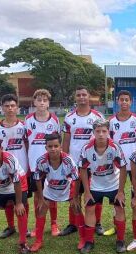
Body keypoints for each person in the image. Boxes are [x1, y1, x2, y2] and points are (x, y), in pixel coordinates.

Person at [78, 119, 127, 254]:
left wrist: (121, 191)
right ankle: (89, 241)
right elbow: (82, 169)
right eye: (98, 131)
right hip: (95, 185)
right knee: (89, 209)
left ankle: (120, 240)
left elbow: (123, 168)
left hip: (114, 184)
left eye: (104, 131)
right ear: (93, 132)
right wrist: (87, 192)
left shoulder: (115, 147)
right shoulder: (86, 148)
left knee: (119, 208)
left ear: (108, 132)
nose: (100, 134)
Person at [61, 86, 105, 237]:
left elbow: (103, 139)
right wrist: (65, 159)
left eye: (84, 95)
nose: (81, 97)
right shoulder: (69, 117)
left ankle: (97, 223)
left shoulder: (98, 116)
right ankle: (73, 223)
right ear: (75, 98)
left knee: (95, 193)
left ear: (89, 97)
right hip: (74, 162)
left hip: (94, 162)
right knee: (75, 193)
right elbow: (66, 140)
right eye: (78, 95)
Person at [30, 133, 82, 252]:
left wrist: (75, 197)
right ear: (46, 147)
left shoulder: (68, 160)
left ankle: (83, 238)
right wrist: (41, 198)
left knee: (77, 208)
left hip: (67, 189)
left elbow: (76, 179)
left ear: (60, 147)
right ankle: (38, 241)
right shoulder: (41, 160)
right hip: (50, 189)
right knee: (41, 210)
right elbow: (37, 179)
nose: (53, 149)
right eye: (50, 146)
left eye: (56, 146)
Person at [106, 90, 136, 236]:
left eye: (126, 100)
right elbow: (108, 142)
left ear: (131, 102)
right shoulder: (111, 121)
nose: (124, 102)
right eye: (121, 99)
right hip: (117, 165)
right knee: (117, 194)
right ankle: (116, 224)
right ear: (117, 101)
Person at [25, 89, 61, 237]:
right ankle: (37, 225)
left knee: (51, 195)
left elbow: (58, 142)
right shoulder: (28, 120)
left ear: (48, 103)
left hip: (51, 165)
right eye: (39, 100)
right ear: (34, 102)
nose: (41, 103)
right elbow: (26, 142)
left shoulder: (54, 120)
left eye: (44, 100)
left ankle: (54, 224)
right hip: (34, 165)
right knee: (38, 197)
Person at [0, 94, 29, 239]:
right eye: (7, 106)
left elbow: (28, 146)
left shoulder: (24, 126)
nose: (10, 109)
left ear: (17, 108)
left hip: (21, 169)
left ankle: (24, 228)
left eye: (12, 106)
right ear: (2, 108)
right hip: (2, 168)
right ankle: (10, 226)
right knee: (7, 199)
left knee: (22, 200)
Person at [0, 135, 29, 254]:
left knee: (21, 210)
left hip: (17, 185)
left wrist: (18, 203)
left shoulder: (9, 159)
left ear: (1, 149)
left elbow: (17, 181)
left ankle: (23, 243)